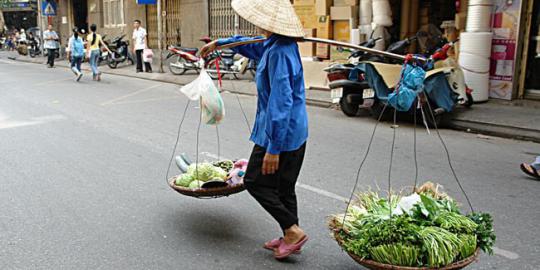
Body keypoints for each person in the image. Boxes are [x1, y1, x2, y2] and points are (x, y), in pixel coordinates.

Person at [200, 0, 308, 260]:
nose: (257, 23)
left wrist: (273, 148)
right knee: (284, 187)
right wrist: (220, 44)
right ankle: (289, 234)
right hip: (293, 132)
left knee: (254, 182)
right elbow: (248, 44)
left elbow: (281, 103)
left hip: (281, 134)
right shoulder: (274, 44)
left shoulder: (281, 52)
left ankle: (293, 231)